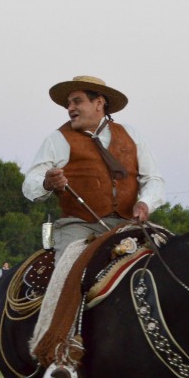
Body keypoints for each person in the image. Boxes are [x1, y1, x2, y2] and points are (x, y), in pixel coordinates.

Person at [22, 75, 165, 255]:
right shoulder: (57, 139)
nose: (70, 108)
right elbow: (29, 184)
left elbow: (153, 178)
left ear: (98, 103)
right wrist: (46, 183)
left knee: (165, 258)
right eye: (68, 104)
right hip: (78, 227)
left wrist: (145, 203)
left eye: (77, 101)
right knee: (68, 270)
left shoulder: (131, 134)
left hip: (129, 225)